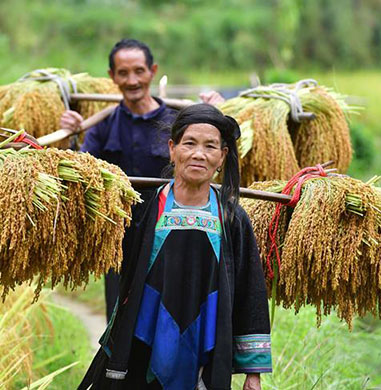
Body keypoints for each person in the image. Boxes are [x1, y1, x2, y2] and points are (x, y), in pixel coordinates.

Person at [78, 104, 271, 390]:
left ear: (222, 156)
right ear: (172, 149)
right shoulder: (142, 210)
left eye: (210, 146)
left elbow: (249, 290)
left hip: (206, 344)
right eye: (189, 143)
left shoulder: (231, 218)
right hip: (142, 341)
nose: (198, 154)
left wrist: (252, 372)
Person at [60, 39, 225, 320]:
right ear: (112, 76)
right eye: (123, 73)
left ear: (152, 71)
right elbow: (78, 170)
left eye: (139, 71)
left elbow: (215, 155)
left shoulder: (179, 122)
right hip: (120, 237)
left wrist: (216, 113)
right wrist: (68, 134)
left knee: (171, 313)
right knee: (120, 315)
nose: (132, 80)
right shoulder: (102, 126)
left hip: (173, 232)